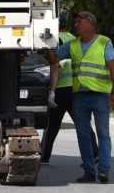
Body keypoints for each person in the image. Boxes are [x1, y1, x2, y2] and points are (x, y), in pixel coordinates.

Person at [52, 10, 114, 183]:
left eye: (79, 21)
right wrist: (46, 43)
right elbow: (53, 59)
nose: (76, 25)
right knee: (83, 135)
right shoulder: (72, 45)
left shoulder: (103, 42)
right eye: (75, 22)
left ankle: (104, 169)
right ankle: (90, 171)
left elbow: (113, 69)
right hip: (80, 97)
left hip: (100, 96)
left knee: (103, 133)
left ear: (90, 23)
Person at [40, 12, 98, 164]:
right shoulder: (73, 38)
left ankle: (44, 155)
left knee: (52, 124)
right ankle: (95, 152)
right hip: (75, 87)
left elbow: (54, 65)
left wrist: (51, 91)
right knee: (82, 122)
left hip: (61, 88)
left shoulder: (54, 40)